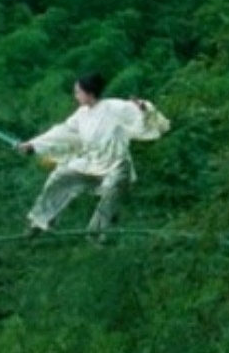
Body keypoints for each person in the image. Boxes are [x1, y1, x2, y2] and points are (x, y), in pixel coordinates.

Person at [17, 72, 170, 236]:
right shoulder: (81, 114)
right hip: (91, 163)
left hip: (116, 164)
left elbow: (142, 112)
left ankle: (98, 230)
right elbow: (62, 132)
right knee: (60, 176)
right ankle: (40, 222)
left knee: (112, 188)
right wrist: (33, 145)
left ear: (89, 93)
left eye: (78, 92)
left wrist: (144, 108)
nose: (76, 96)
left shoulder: (114, 107)